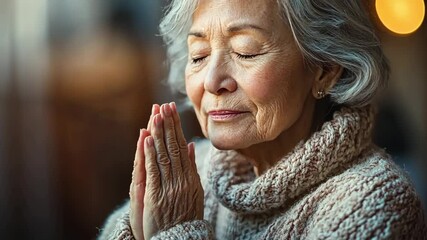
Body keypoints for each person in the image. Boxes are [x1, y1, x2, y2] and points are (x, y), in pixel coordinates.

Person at [98, 0, 427, 239]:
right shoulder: (188, 171)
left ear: (324, 70)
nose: (212, 81)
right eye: (198, 55)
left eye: (246, 51)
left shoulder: (374, 202)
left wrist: (176, 233)